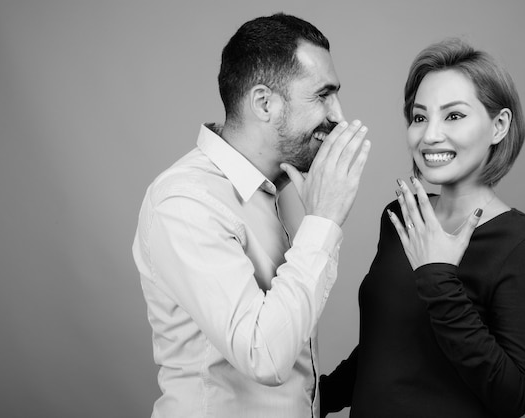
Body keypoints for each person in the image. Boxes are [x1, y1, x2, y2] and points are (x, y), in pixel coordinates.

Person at [132, 13, 371, 418]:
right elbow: (266, 356)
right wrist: (324, 221)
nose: (339, 115)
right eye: (323, 95)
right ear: (264, 103)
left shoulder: (284, 191)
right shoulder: (185, 202)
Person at [320, 38, 525, 417]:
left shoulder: (523, 243)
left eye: (454, 116)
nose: (430, 135)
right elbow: (387, 346)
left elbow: (514, 396)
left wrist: (439, 279)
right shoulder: (401, 215)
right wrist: (315, 399)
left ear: (499, 125)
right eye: (419, 117)